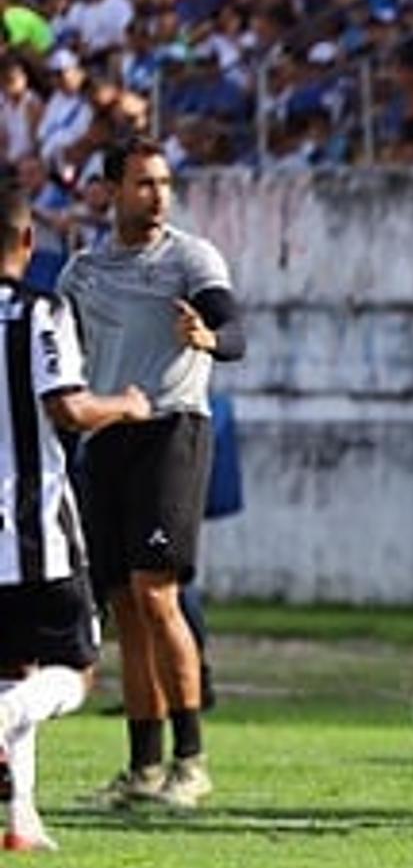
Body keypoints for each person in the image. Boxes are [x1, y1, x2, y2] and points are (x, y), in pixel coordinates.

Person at [58, 136, 245, 809]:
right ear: (111, 189)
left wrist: (210, 339)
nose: (158, 194)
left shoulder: (191, 258)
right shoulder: (81, 273)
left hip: (171, 432)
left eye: (164, 181)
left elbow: (235, 332)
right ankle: (142, 768)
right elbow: (63, 363)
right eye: (143, 182)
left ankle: (190, 761)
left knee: (157, 592)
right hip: (108, 441)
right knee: (128, 607)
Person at [0, 174, 151, 849]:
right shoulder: (39, 311)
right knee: (75, 673)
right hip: (35, 531)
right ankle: (2, 718)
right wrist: (126, 403)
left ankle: (21, 819)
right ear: (28, 240)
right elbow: (67, 405)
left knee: (12, 668)